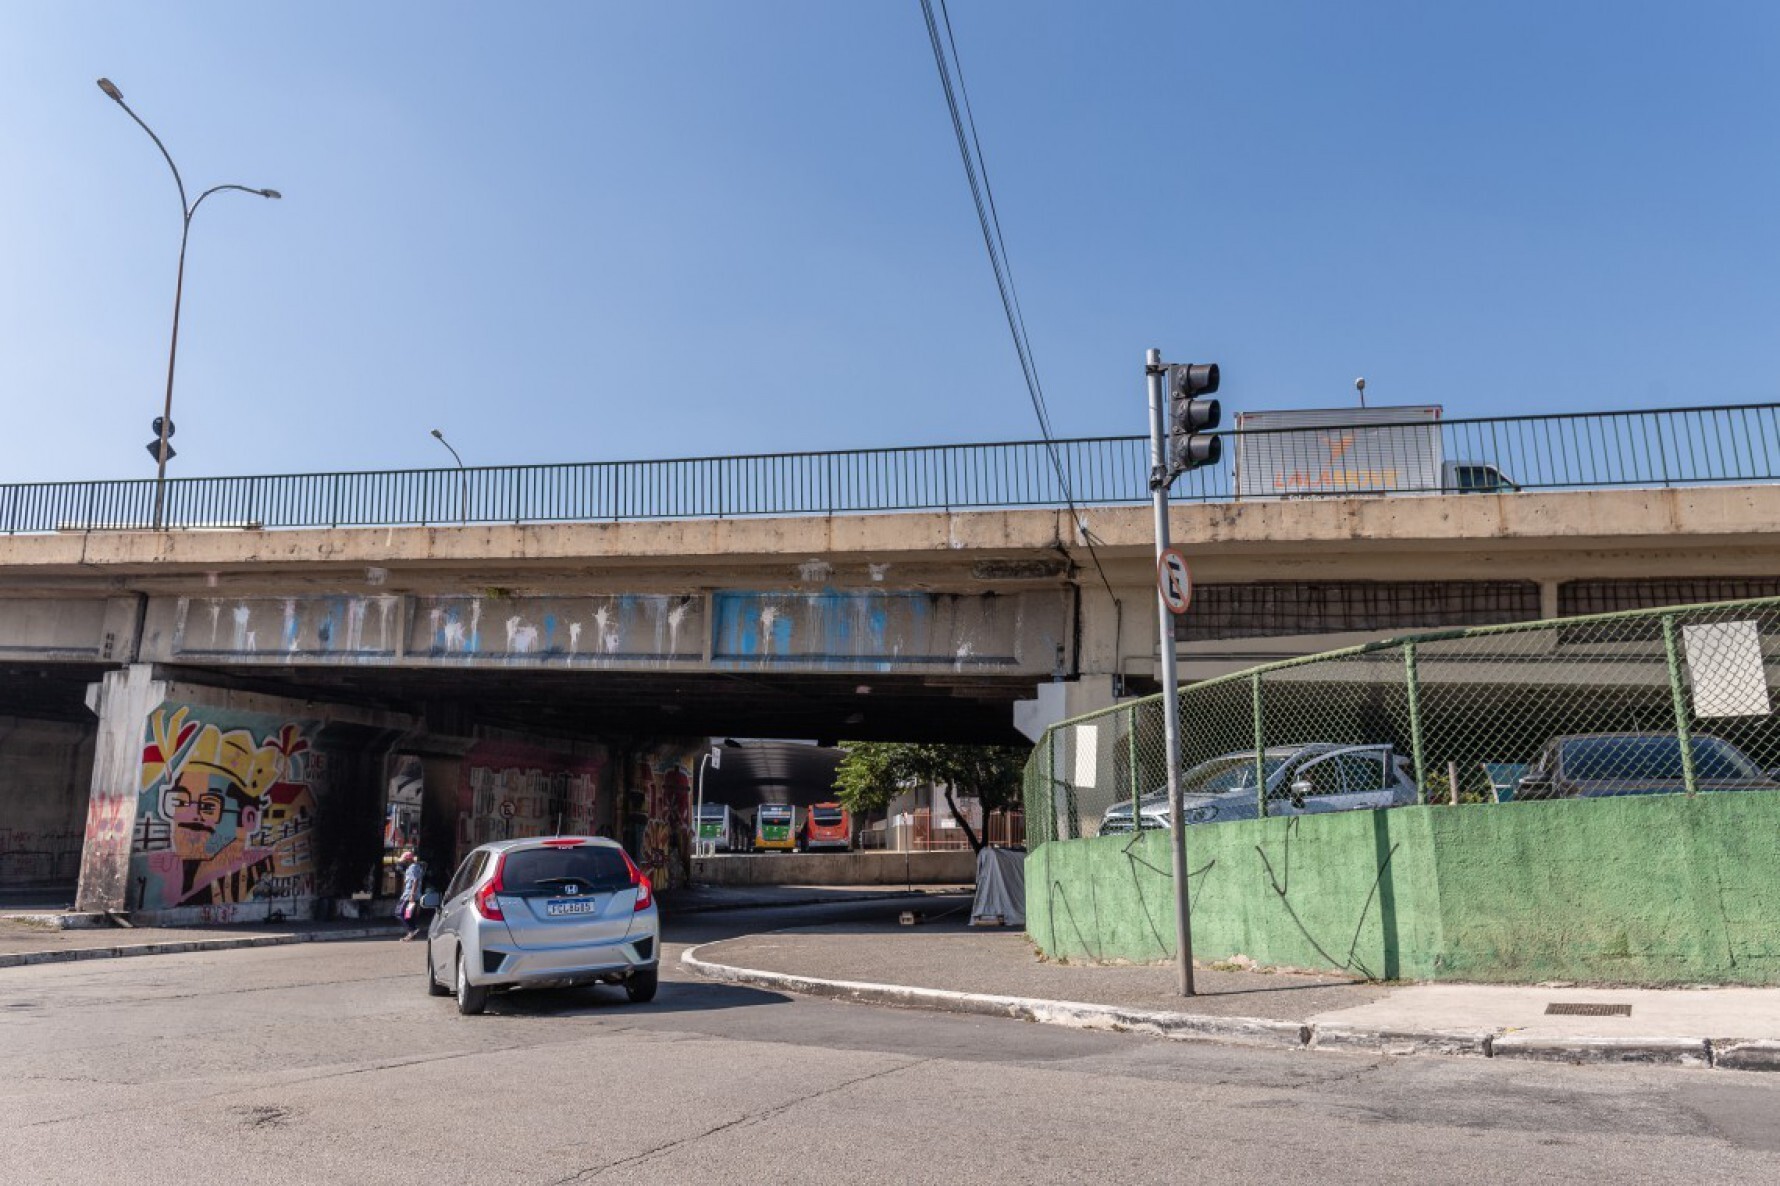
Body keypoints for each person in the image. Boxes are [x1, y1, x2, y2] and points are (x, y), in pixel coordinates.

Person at [397, 850, 425, 941]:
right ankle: (411, 934)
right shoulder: (413, 867)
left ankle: (412, 930)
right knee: (408, 915)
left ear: (408, 860)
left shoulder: (413, 867)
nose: (403, 862)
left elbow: (415, 881)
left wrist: (412, 895)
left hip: (409, 895)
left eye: (404, 861)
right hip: (410, 894)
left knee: (399, 913)